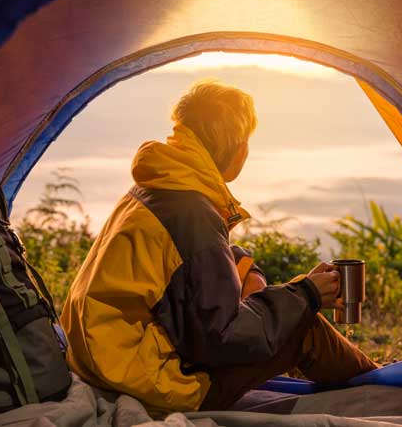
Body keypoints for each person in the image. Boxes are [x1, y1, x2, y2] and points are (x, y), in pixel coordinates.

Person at [60, 80, 376, 416]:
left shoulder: (158, 184)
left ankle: (356, 375)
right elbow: (220, 338)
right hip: (143, 378)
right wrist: (307, 294)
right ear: (239, 149)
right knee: (304, 329)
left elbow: (185, 279)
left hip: (103, 355)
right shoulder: (192, 212)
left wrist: (251, 276)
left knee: (242, 264)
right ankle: (380, 388)